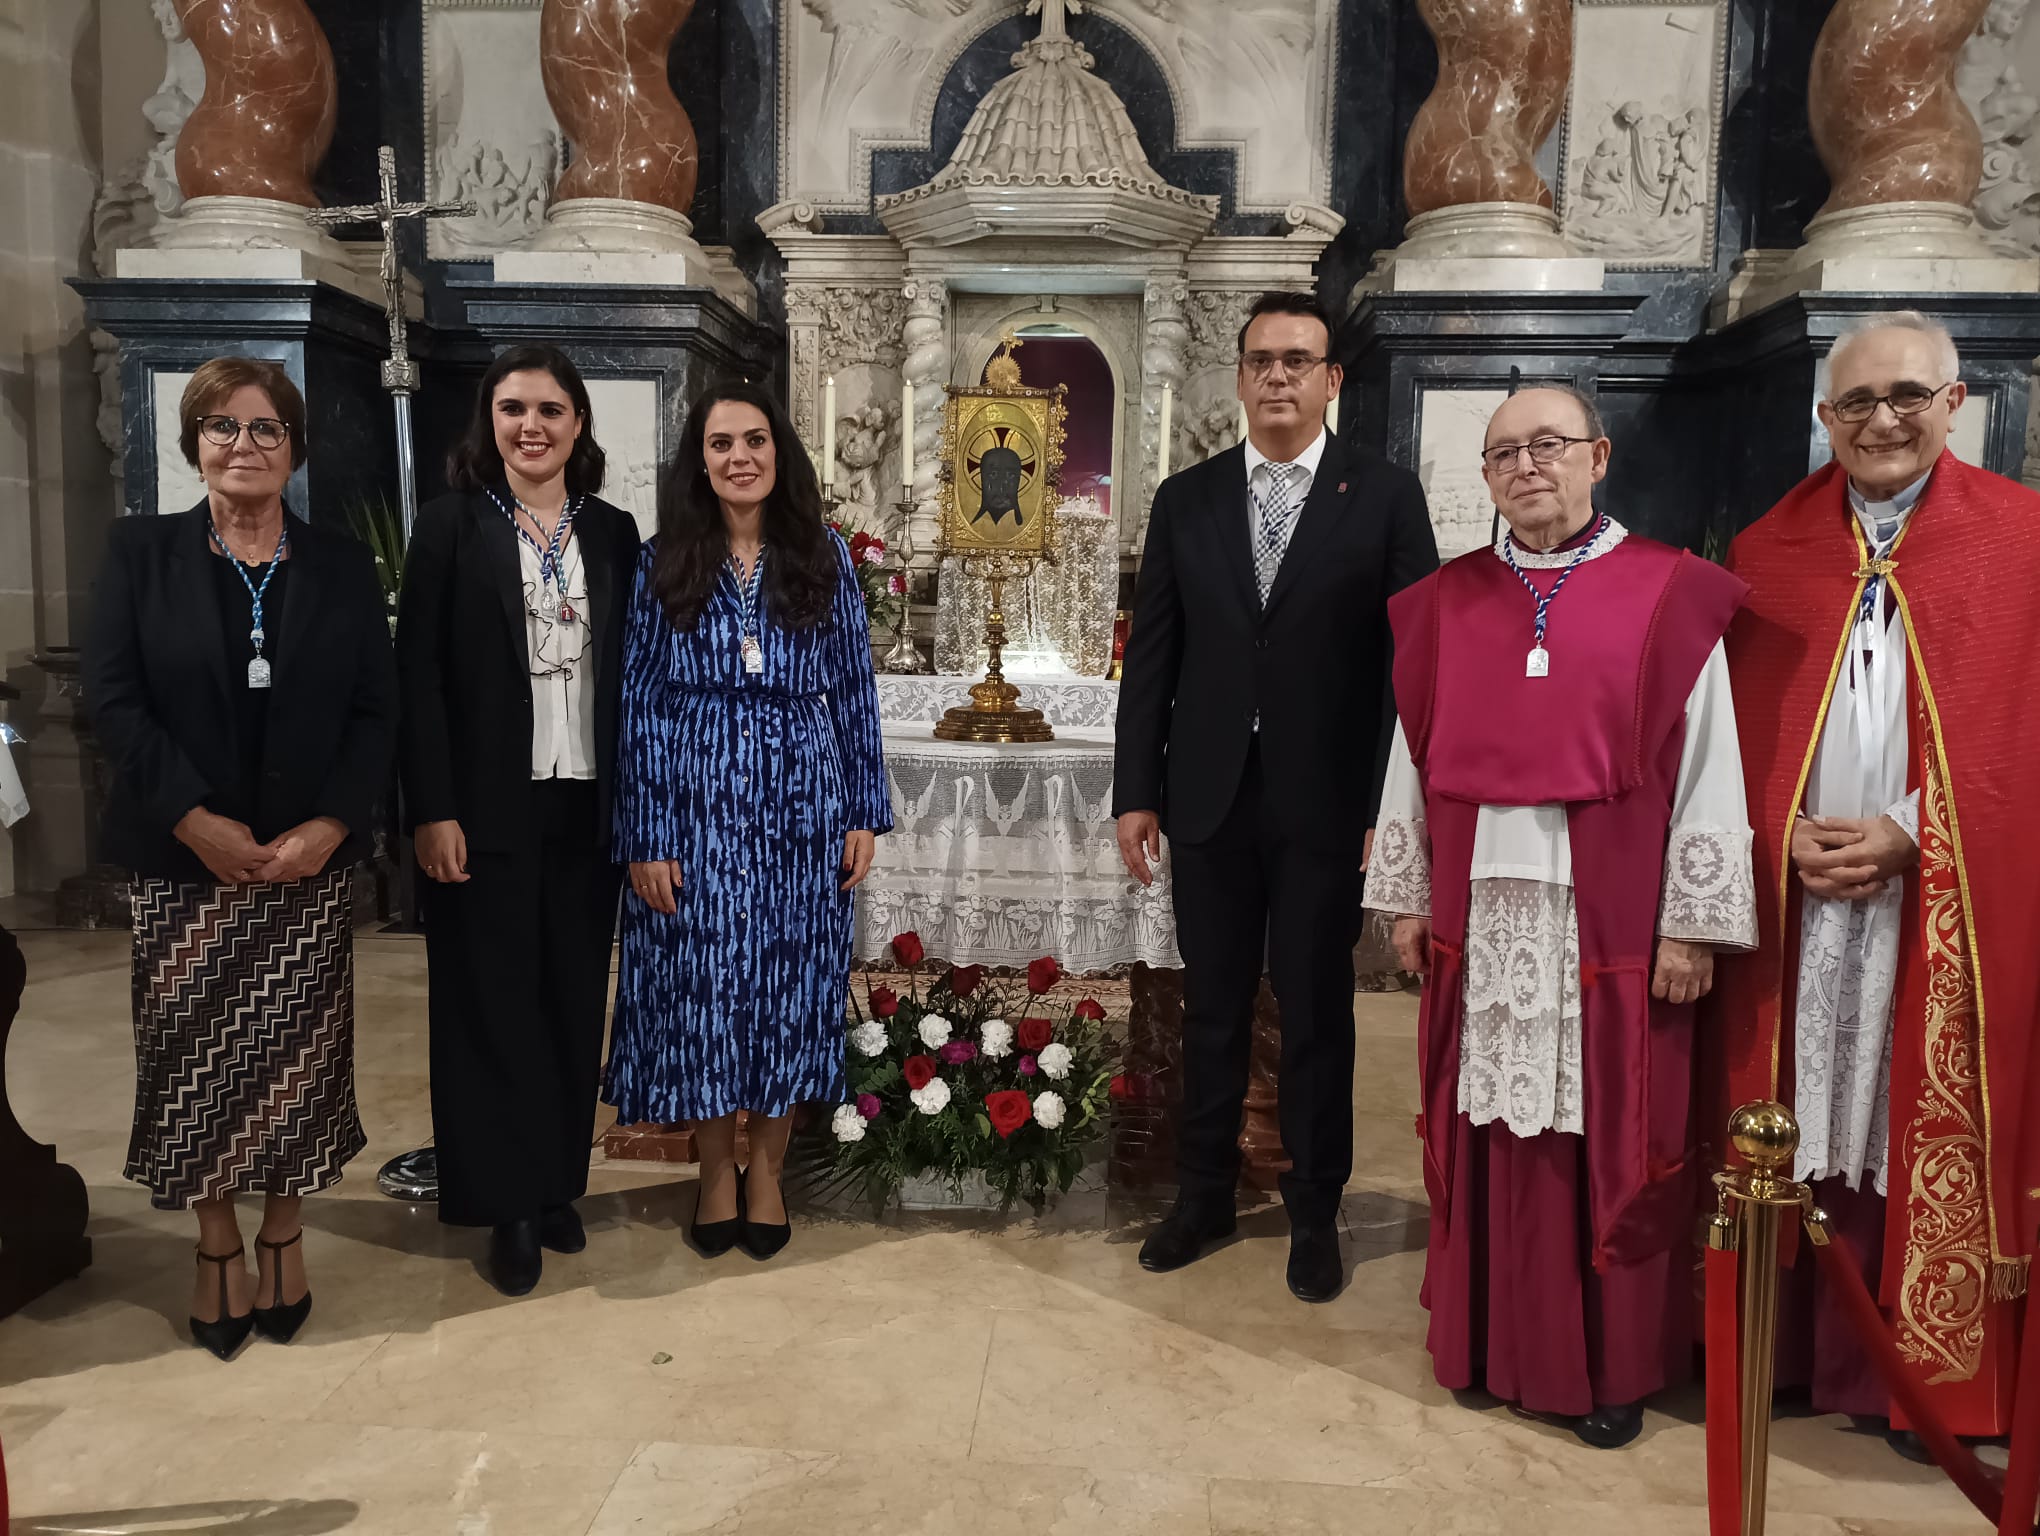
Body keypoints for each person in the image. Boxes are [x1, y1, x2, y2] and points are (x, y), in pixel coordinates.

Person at [1364, 387, 1753, 1447]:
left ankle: (1610, 1367)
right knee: (1482, 1124)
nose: (1527, 466)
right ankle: (1489, 1343)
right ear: (1485, 479)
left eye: (1548, 445)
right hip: (1479, 916)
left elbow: (1713, 764)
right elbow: (1416, 748)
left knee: (1613, 1140)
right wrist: (1405, 894)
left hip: (1612, 928)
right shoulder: (1447, 601)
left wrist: (1691, 925)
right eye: (1504, 455)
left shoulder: (1669, 592)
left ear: (1599, 456)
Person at [1711, 311, 2040, 1455]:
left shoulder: (2021, 541)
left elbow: (2026, 739)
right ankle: (1793, 1350)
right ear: (1823, 418)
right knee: (1799, 1116)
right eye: (1857, 402)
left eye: (1907, 395)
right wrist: (1777, 826)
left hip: (1941, 896)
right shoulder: (1770, 553)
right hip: (1805, 899)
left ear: (1956, 405)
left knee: (1911, 1116)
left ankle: (1924, 1381)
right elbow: (1734, 737)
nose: (1883, 419)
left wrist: (1914, 833)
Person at [1113, 290, 1439, 1303]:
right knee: (1209, 1009)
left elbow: (1410, 663)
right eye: (1261, 360)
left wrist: (1392, 806)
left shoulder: (1381, 497)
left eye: (1299, 360)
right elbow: (1153, 657)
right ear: (1240, 376)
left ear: (1332, 379)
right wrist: (1137, 790)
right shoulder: (1187, 498)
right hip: (1207, 798)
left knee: (1313, 1016)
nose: (1279, 377)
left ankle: (1313, 1208)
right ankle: (1203, 1192)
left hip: (1327, 804)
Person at [83, 356, 396, 1358]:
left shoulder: (342, 564)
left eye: (266, 429)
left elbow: (375, 714)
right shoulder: (140, 554)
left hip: (304, 869)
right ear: (193, 443)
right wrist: (192, 819)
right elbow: (114, 703)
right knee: (197, 1064)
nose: (244, 446)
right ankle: (216, 1241)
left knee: (295, 1065)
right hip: (186, 869)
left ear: (294, 448)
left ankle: (283, 1230)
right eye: (223, 426)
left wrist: (332, 827)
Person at [606, 381, 891, 1260]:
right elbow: (639, 702)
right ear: (700, 460)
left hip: (802, 804)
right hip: (693, 803)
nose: (740, 457)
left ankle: (765, 1169)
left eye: (756, 441)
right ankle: (713, 1168)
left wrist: (862, 810)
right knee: (699, 989)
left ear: (780, 454)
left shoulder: (826, 557)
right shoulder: (663, 560)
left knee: (789, 988)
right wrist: (646, 835)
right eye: (722, 443)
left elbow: (852, 686)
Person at [398, 345, 642, 1297]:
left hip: (587, 801)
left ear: (578, 424)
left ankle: (554, 1183)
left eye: (549, 409)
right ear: (488, 423)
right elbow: (415, 676)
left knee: (570, 998)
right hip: (483, 807)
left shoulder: (614, 533)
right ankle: (502, 1203)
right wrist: (432, 810)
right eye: (512, 409)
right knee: (487, 1004)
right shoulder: (452, 526)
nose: (530, 426)